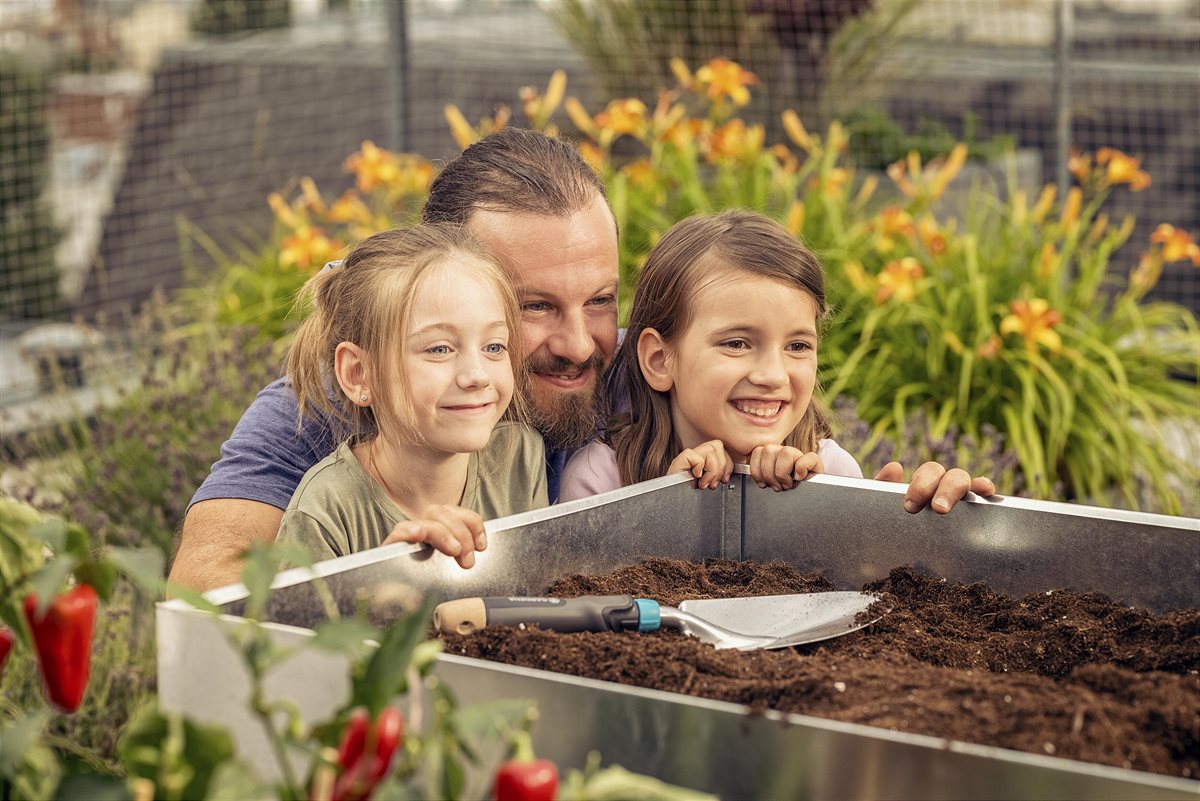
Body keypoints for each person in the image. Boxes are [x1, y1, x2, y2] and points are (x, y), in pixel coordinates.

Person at [170, 129, 989, 592]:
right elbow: (207, 585)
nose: (579, 342)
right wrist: (387, 565)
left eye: (599, 298)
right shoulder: (332, 403)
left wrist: (890, 507)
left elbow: (800, 457)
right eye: (532, 307)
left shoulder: (647, 364)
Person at [558, 210, 993, 503]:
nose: (772, 375)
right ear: (659, 360)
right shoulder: (600, 480)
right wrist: (669, 510)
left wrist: (901, 532)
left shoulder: (831, 473)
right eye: (737, 343)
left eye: (798, 347)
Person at [275, 224, 546, 563]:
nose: (477, 375)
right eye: (439, 349)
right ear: (359, 374)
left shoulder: (520, 457)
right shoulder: (326, 511)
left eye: (494, 346)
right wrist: (389, 579)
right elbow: (294, 619)